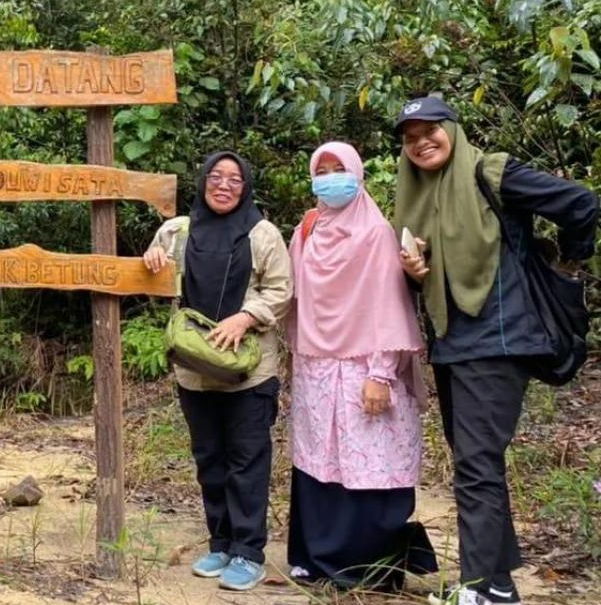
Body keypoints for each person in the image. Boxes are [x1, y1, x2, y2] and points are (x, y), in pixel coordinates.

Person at [394, 96, 597, 605]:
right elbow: (436, 274)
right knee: (474, 461)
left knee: (477, 464)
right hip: (452, 344)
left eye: (431, 130)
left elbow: (581, 204)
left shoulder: (492, 172)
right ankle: (497, 582)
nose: (422, 142)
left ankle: (485, 589)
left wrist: (568, 264)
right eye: (410, 136)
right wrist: (415, 275)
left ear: (452, 130)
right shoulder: (417, 196)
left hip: (500, 340)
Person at [286, 141, 436, 590]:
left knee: (369, 464)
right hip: (315, 366)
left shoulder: (375, 232)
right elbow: (289, 294)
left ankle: (370, 570)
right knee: (320, 464)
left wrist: (379, 374)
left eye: (339, 168)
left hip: (364, 369)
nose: (330, 177)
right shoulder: (307, 229)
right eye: (322, 169)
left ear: (357, 174)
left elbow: (388, 305)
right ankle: (316, 560)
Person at [142, 152, 292, 592]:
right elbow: (157, 280)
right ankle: (221, 542)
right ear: (202, 180)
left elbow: (281, 290)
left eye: (235, 179)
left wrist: (246, 317)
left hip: (250, 370)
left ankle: (249, 552)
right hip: (194, 369)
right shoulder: (177, 230)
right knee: (209, 458)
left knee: (247, 460)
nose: (224, 185)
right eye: (215, 176)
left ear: (246, 187)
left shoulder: (262, 234)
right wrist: (151, 259)